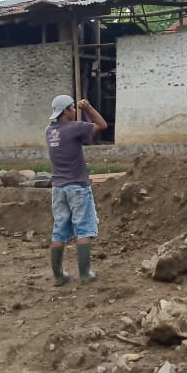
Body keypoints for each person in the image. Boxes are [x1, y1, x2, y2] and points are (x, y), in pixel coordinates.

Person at [46, 95, 108, 286]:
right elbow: (102, 125)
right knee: (84, 229)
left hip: (58, 188)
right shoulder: (74, 128)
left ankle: (58, 275)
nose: (74, 111)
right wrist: (88, 108)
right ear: (65, 111)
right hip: (78, 187)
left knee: (59, 230)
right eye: (72, 108)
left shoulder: (50, 131)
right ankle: (84, 274)